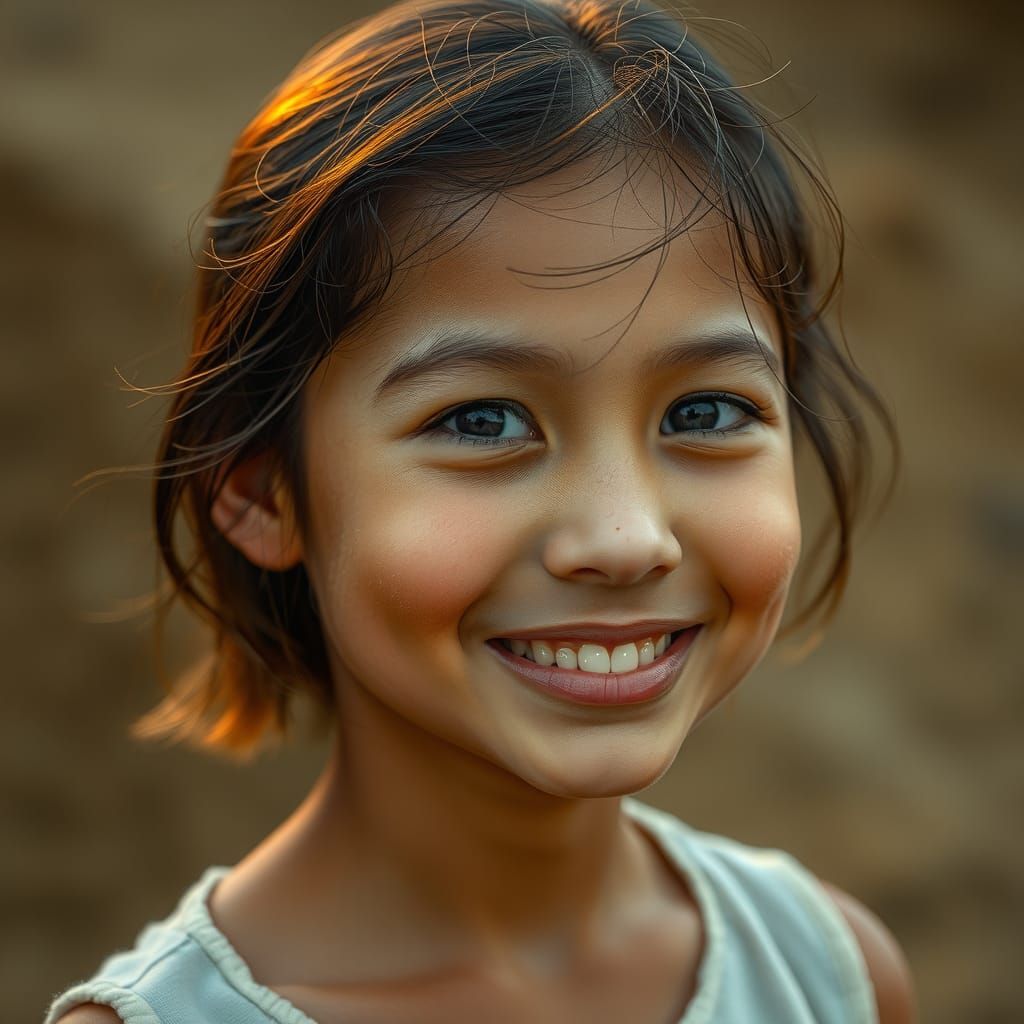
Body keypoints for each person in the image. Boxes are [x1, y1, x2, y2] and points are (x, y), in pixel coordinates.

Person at [45, 0, 917, 1021]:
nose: (625, 537)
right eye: (482, 421)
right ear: (256, 488)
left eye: (705, 410)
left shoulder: (828, 975)